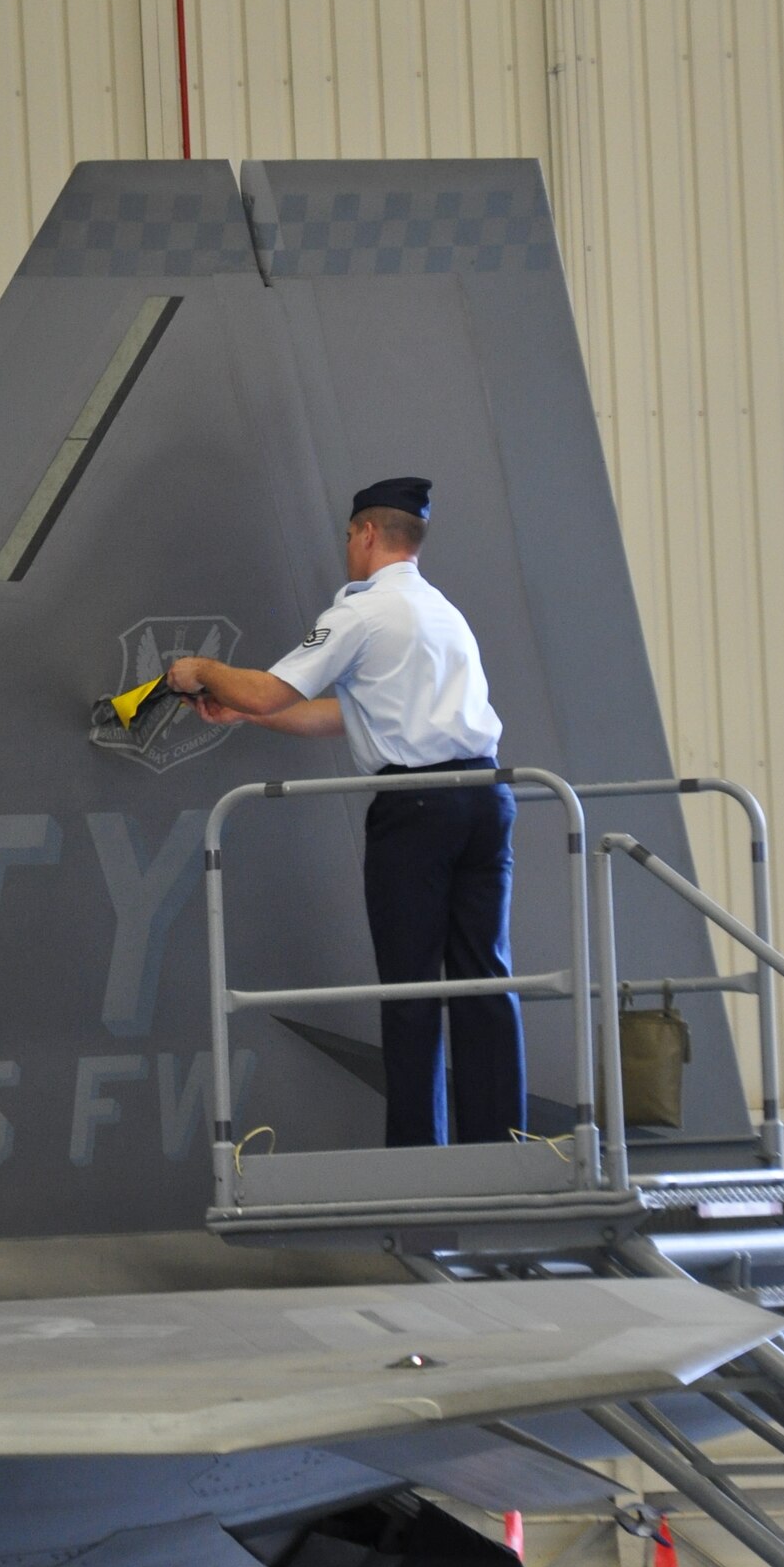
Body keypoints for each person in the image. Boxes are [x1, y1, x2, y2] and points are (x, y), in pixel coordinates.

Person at [164, 476, 525, 1148]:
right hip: (485, 798)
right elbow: (345, 716)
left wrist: (200, 672)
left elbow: (271, 689)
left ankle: (417, 1162)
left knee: (410, 987)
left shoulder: (360, 612)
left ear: (363, 533)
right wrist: (245, 712)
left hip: (414, 809)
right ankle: (503, 1150)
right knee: (484, 979)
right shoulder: (441, 612)